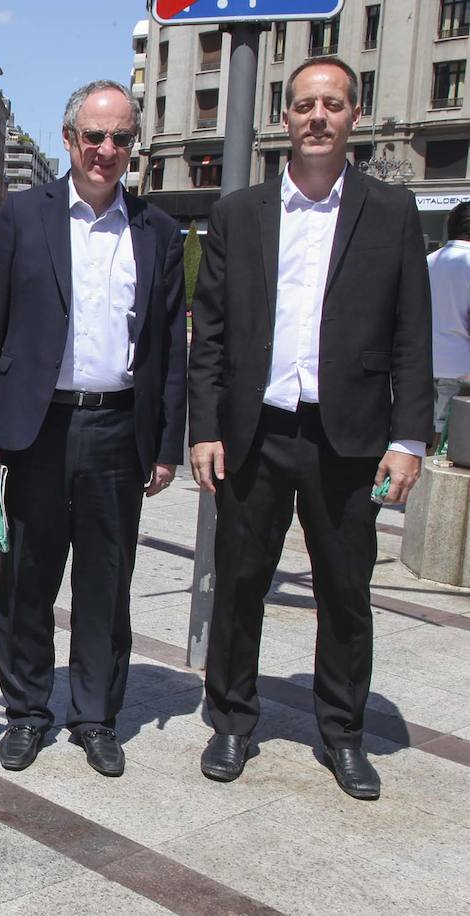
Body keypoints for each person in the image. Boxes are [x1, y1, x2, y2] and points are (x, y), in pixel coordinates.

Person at [189, 57, 433, 800]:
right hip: (257, 433)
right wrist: (205, 427)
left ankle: (343, 732)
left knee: (345, 592)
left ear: (354, 115)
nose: (317, 117)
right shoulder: (240, 212)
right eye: (304, 105)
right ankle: (232, 719)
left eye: (332, 104)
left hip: (349, 438)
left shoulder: (390, 212)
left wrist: (410, 437)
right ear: (284, 118)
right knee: (237, 585)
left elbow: (411, 336)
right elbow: (213, 334)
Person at [0, 80, 187, 777]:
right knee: (27, 577)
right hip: (36, 430)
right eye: (95, 136)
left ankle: (95, 716)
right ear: (70, 140)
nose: (107, 150)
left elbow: (169, 348)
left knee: (105, 582)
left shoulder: (158, 231)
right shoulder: (25, 217)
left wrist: (166, 445)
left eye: (121, 138)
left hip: (118, 430)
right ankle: (27, 711)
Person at [427, 202, 470, 449]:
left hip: (425, 366)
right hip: (462, 371)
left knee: (422, 438)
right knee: (452, 446)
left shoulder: (428, 262)